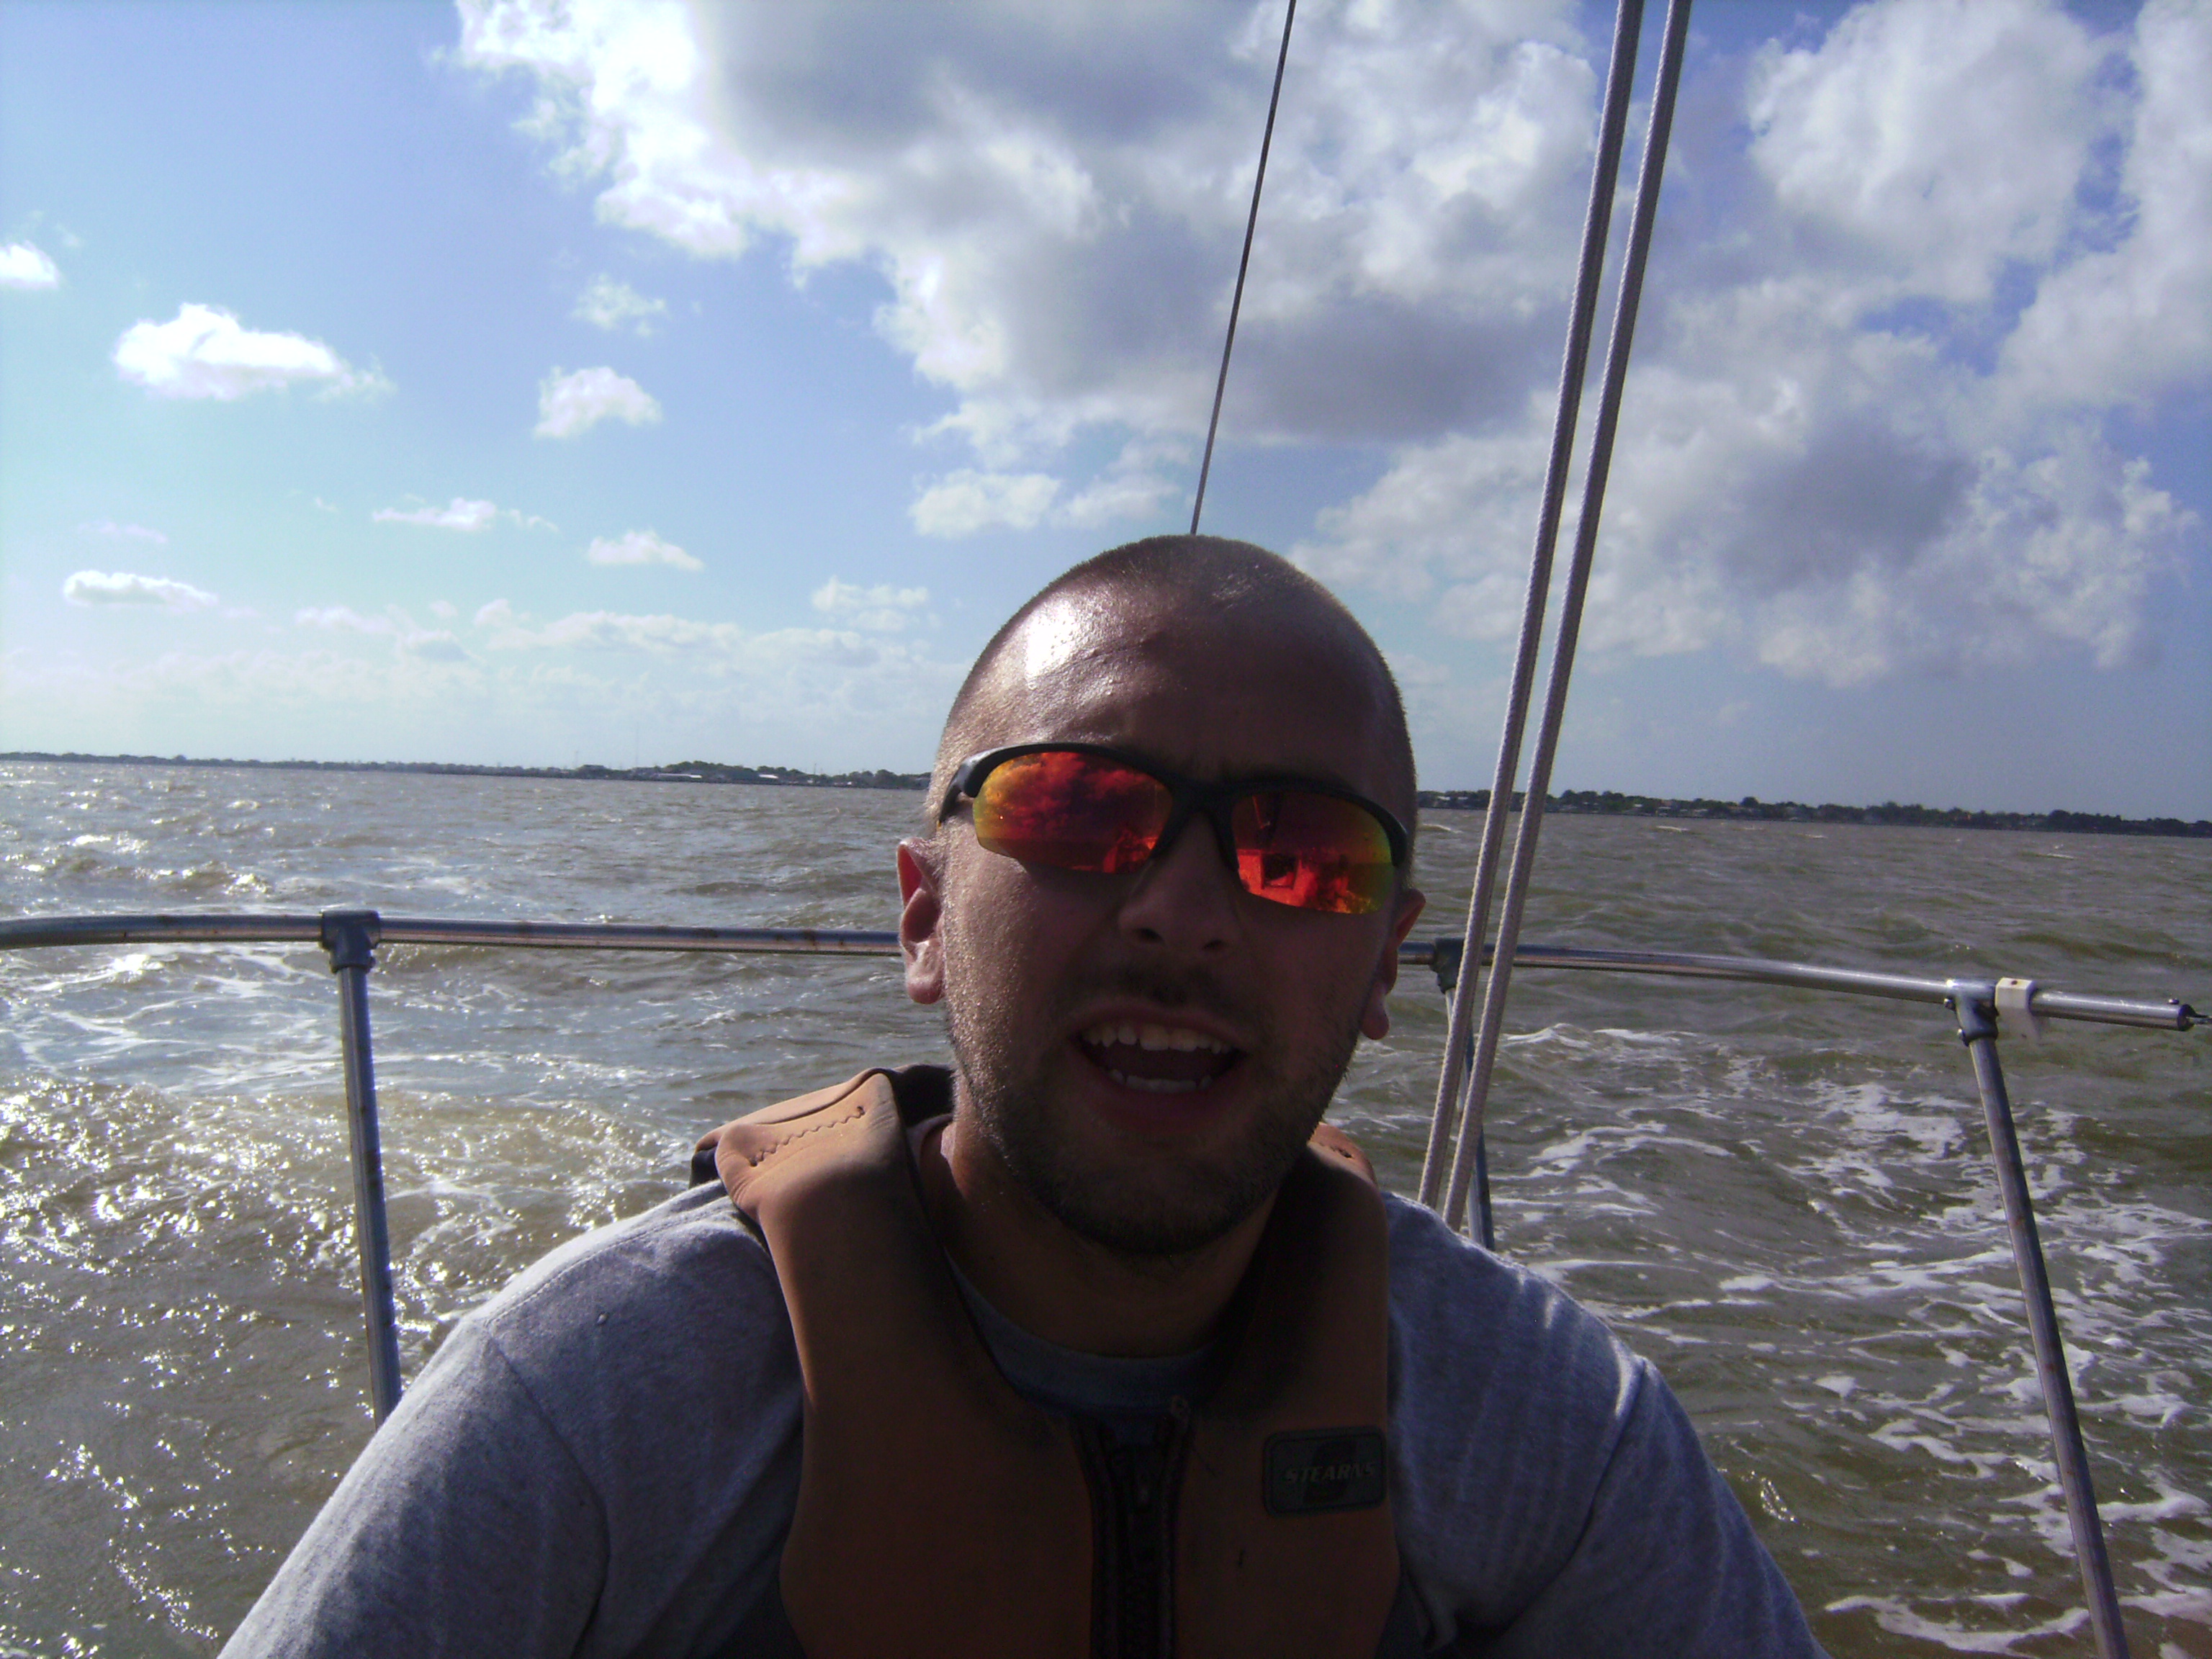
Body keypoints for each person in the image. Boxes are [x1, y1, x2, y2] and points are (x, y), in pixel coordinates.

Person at [223, 536, 1827, 1658]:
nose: (1183, 913)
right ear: (925, 916)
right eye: (1075, 811)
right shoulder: (606, 1398)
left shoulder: (1539, 1419)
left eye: (1302, 852)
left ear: (1384, 961)